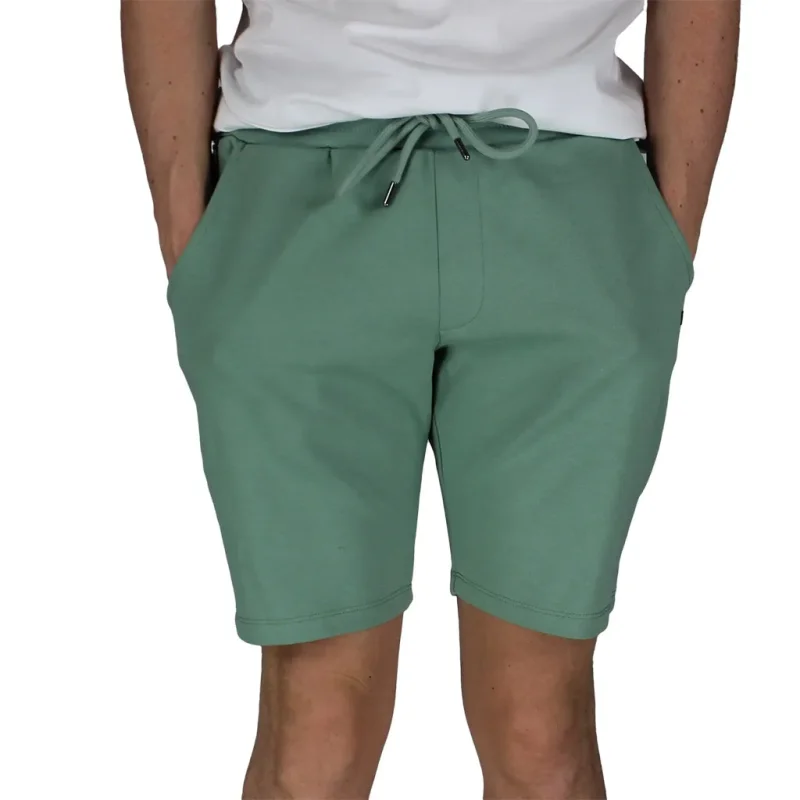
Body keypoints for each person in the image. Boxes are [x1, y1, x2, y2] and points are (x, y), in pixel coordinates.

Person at [122, 1, 739, 796]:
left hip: (572, 198)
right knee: (317, 720)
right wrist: (190, 237)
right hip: (297, 190)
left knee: (541, 725)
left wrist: (666, 242)